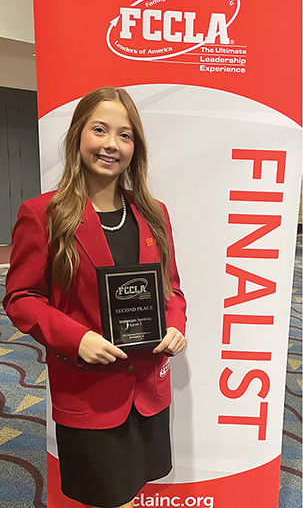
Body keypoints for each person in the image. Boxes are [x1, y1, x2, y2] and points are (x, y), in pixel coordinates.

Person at [3, 86, 188, 508]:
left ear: (135, 147)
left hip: (148, 388)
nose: (111, 144)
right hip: (89, 389)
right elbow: (21, 297)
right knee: (106, 496)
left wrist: (175, 323)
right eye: (100, 130)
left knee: (135, 489)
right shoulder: (43, 214)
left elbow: (170, 286)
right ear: (77, 136)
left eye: (124, 135)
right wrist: (77, 338)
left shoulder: (152, 212)